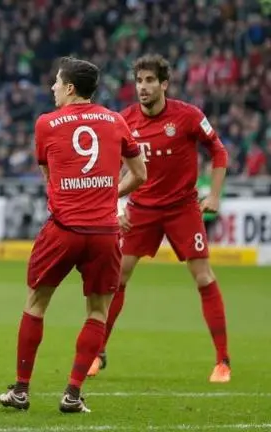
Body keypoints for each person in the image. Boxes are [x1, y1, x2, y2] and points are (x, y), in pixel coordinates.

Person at [0, 57, 147, 413]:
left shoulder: (46, 124)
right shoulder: (117, 120)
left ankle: (21, 391)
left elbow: (50, 177)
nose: (52, 87)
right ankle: (73, 394)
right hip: (105, 232)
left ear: (69, 88)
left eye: (56, 82)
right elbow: (140, 174)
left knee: (36, 303)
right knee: (97, 311)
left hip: (63, 230)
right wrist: (108, 195)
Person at [88, 54, 231, 383]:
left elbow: (218, 150)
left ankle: (222, 360)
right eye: (139, 81)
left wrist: (214, 195)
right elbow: (111, 166)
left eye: (150, 80)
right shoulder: (125, 120)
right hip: (142, 208)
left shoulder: (188, 116)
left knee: (203, 277)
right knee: (117, 277)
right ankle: (98, 352)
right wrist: (116, 207)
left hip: (183, 208)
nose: (143, 87)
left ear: (164, 84)